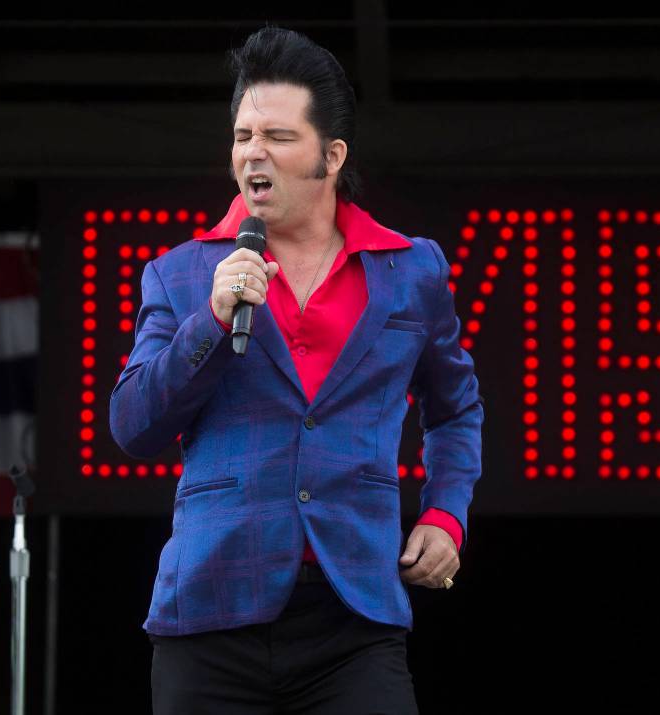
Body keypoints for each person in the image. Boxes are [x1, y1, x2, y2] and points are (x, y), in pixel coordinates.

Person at [109, 26, 483, 715]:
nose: (254, 150)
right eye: (243, 134)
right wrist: (212, 320)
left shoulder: (410, 270)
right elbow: (134, 426)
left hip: (354, 614)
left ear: (330, 156)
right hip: (211, 612)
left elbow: (455, 406)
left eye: (278, 136)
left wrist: (445, 513)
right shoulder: (184, 272)